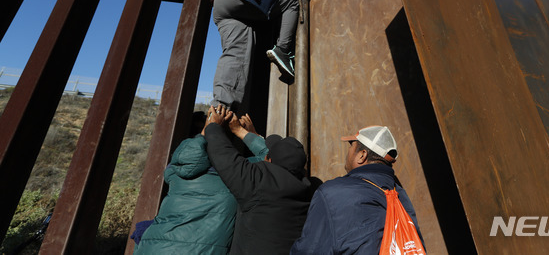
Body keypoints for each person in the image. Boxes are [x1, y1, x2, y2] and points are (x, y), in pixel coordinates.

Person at [133, 111, 268, 255]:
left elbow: (192, 150)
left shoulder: (175, 169)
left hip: (152, 248)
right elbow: (272, 159)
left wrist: (208, 129)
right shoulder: (236, 173)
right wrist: (243, 132)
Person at [290, 126, 424, 254]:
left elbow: (311, 249)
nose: (348, 151)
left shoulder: (332, 193)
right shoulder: (400, 195)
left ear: (362, 155)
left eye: (351, 145)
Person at [203, 105, 313, 254]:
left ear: (268, 159)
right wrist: (246, 133)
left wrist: (214, 125)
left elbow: (223, 155)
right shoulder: (308, 191)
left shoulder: (259, 182)